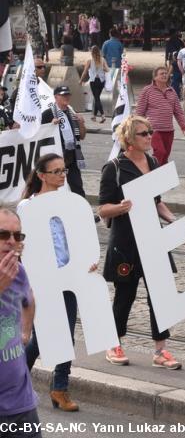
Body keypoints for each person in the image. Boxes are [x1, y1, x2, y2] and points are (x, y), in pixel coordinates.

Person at [98, 115, 182, 370]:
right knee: (126, 294)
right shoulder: (113, 167)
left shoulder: (153, 162)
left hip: (153, 238)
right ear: (129, 140)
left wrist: (172, 220)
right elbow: (103, 209)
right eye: (144, 133)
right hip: (126, 240)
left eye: (150, 131)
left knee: (160, 295)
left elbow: (157, 202)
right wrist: (121, 207)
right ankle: (114, 343)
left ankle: (160, 350)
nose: (149, 137)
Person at [19, 154, 97, 413]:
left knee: (67, 336)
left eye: (64, 170)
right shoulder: (27, 207)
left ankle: (59, 388)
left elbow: (79, 238)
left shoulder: (69, 202)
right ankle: (14, 382)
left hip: (69, 276)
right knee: (41, 339)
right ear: (42, 175)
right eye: (56, 171)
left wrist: (88, 260)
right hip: (42, 280)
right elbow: (23, 246)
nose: (63, 175)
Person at [0, 207, 41, 437]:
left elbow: (29, 299)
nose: (11, 241)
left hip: (21, 403)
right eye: (3, 235)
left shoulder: (19, 272)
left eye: (18, 236)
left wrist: (25, 334)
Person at [134, 67, 185, 166]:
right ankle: (153, 173)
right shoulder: (147, 90)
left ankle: (162, 177)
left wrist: (183, 125)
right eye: (161, 74)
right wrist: (137, 127)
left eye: (165, 73)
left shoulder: (171, 91)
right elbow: (140, 111)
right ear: (155, 77)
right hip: (153, 130)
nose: (164, 75)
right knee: (160, 152)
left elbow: (178, 111)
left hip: (168, 130)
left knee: (165, 156)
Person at [40, 86, 87, 198]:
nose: (66, 97)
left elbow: (82, 136)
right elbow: (40, 137)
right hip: (56, 157)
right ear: (56, 97)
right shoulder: (48, 114)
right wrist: (50, 126)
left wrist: (81, 124)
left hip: (72, 156)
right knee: (54, 187)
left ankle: (82, 211)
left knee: (77, 187)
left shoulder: (73, 113)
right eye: (63, 95)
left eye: (68, 95)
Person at [80, 46, 109, 123]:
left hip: (93, 81)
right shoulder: (102, 60)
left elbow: (85, 72)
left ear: (91, 52)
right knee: (97, 98)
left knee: (96, 98)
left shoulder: (89, 61)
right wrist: (102, 68)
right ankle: (94, 116)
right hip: (102, 81)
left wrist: (81, 80)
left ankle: (103, 115)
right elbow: (107, 70)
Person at [164, 30, 184, 97]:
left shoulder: (169, 40)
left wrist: (166, 59)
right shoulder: (178, 40)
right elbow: (183, 46)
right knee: (174, 68)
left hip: (171, 56)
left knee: (171, 69)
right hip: (177, 55)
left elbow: (167, 50)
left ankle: (168, 82)